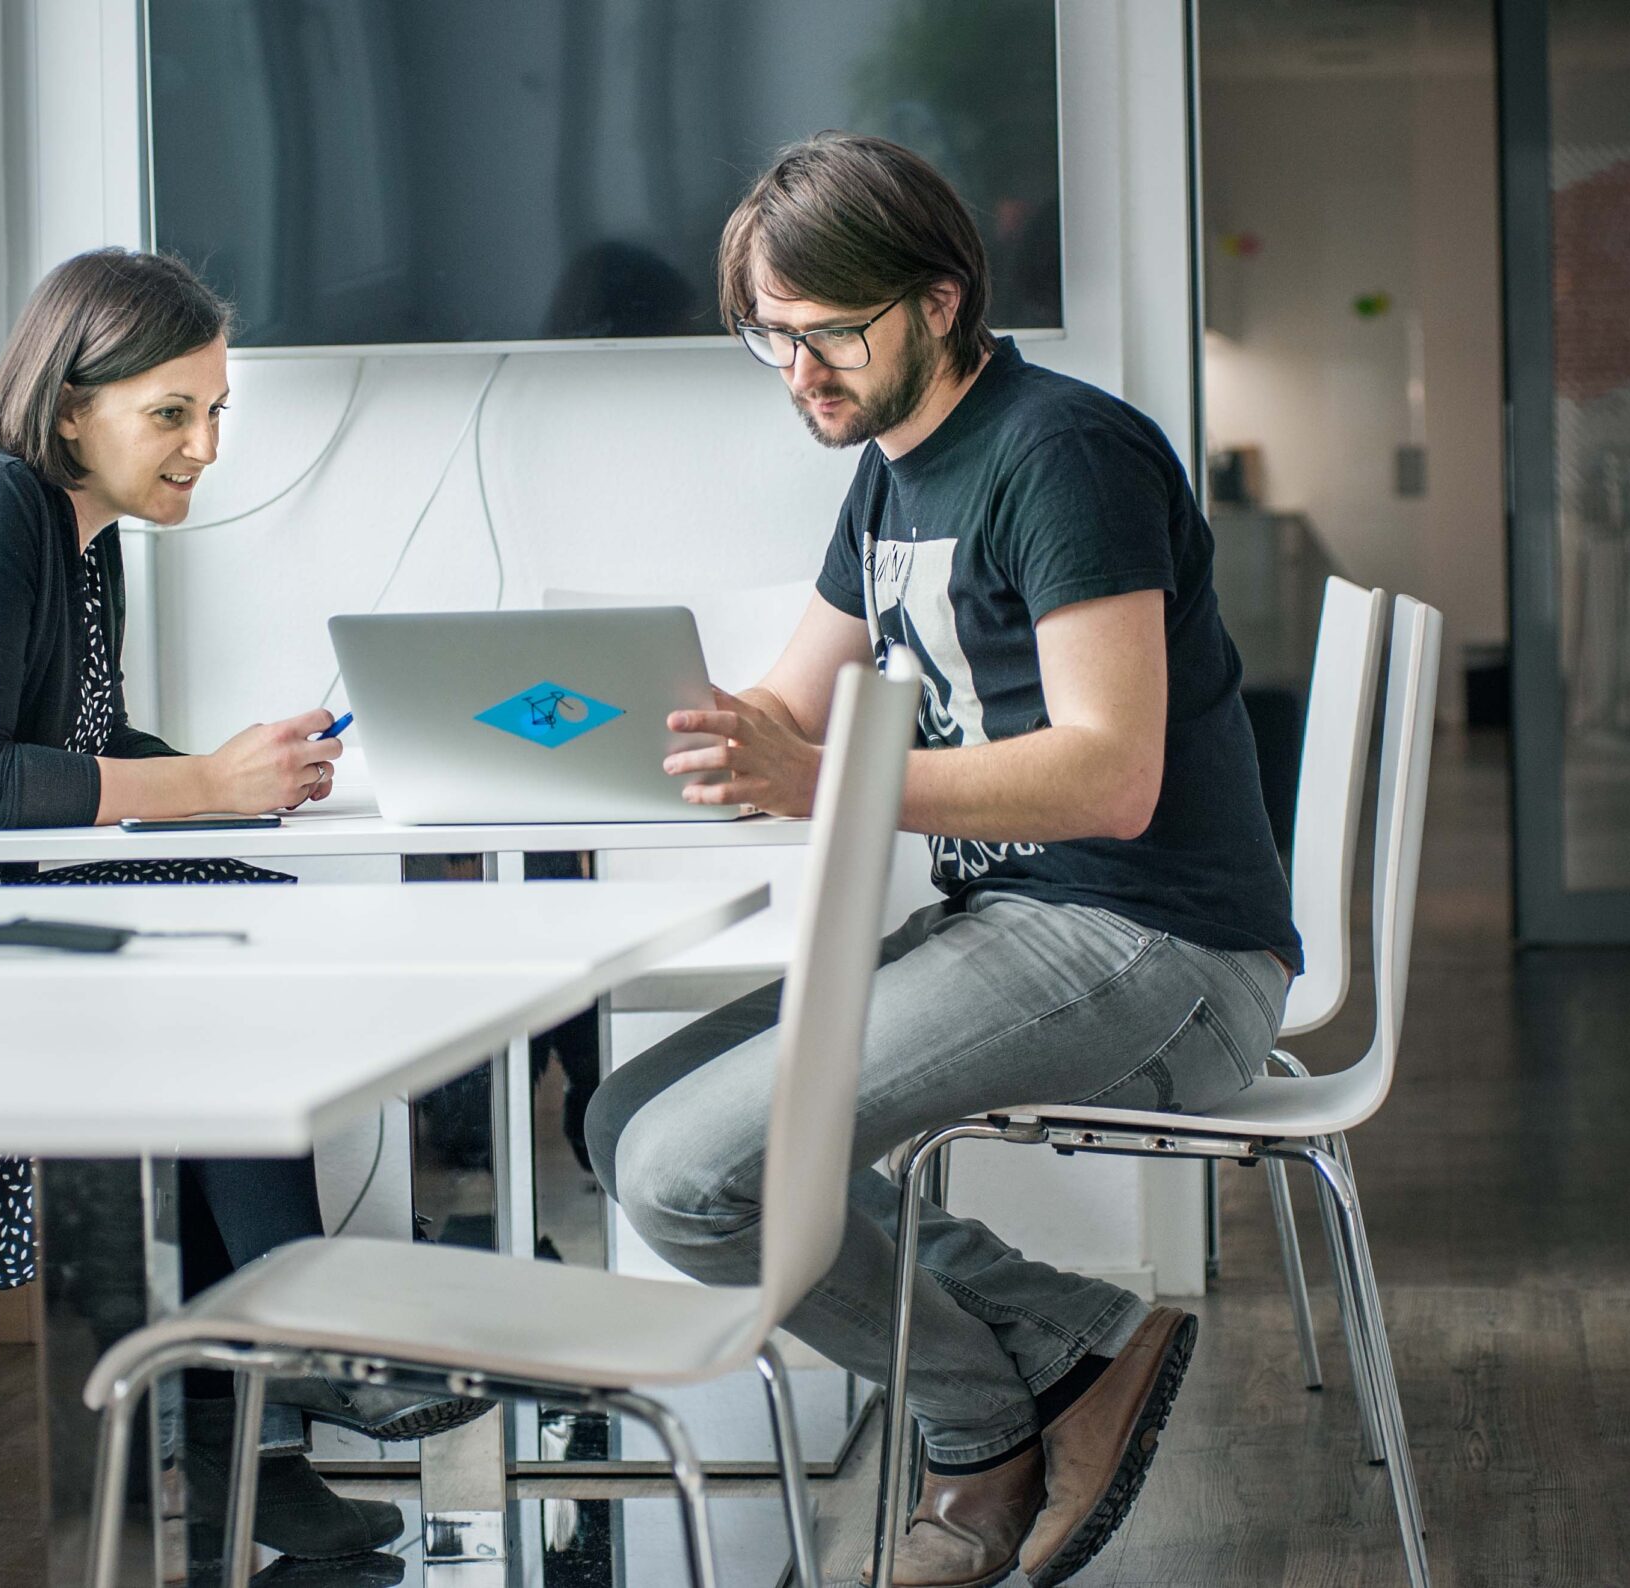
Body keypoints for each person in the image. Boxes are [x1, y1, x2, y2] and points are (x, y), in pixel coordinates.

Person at [583, 135, 1302, 1588]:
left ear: (939, 301)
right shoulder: (891, 479)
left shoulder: (1063, 453)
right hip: (1025, 927)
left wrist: (820, 771)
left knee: (689, 1170)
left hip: (1160, 951)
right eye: (770, 340)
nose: (801, 375)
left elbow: (1112, 773)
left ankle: (982, 1425)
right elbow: (791, 702)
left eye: (830, 334)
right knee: (627, 1128)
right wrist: (631, 724)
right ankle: (1070, 1354)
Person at [0, 248, 484, 1561]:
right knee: (215, 949)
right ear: (71, 407)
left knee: (206, 955)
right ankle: (282, 1365)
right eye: (172, 413)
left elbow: (86, 737)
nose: (206, 445)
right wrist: (198, 787)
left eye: (218, 411)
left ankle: (253, 1428)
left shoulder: (82, 542)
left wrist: (237, 781)